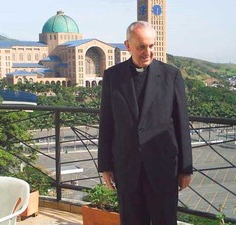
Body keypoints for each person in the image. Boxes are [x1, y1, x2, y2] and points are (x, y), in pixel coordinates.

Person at [98, 21, 193, 225]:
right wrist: (105, 166)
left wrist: (186, 168)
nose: (148, 52)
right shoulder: (113, 76)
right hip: (127, 169)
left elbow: (181, 123)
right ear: (128, 45)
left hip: (163, 169)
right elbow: (107, 122)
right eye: (141, 46)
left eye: (151, 46)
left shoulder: (171, 75)